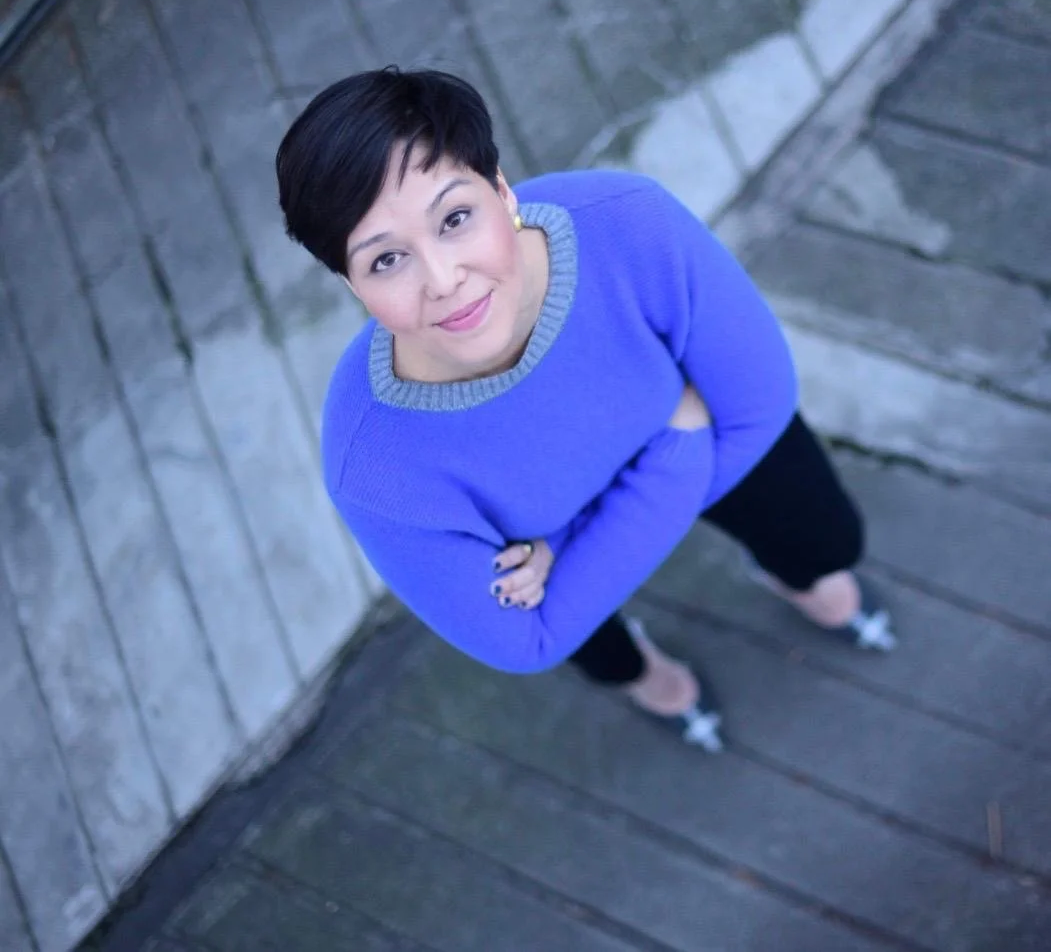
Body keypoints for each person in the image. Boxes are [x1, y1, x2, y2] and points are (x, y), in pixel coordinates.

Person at [275, 67, 896, 751]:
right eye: (386, 260)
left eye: (455, 219)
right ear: (350, 283)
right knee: (600, 650)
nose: (443, 279)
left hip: (610, 524)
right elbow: (528, 638)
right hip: (683, 444)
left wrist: (564, 550)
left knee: (831, 545)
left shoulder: (626, 222)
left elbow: (760, 406)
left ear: (501, 190)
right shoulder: (372, 459)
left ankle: (780, 574)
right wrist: (679, 435)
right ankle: (644, 670)